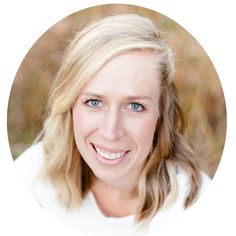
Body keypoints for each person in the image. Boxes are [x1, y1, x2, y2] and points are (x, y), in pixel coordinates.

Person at [15, 14, 211, 236]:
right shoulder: (33, 178)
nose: (111, 132)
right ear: (69, 105)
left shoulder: (195, 210)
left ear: (161, 114)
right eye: (94, 102)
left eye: (135, 106)